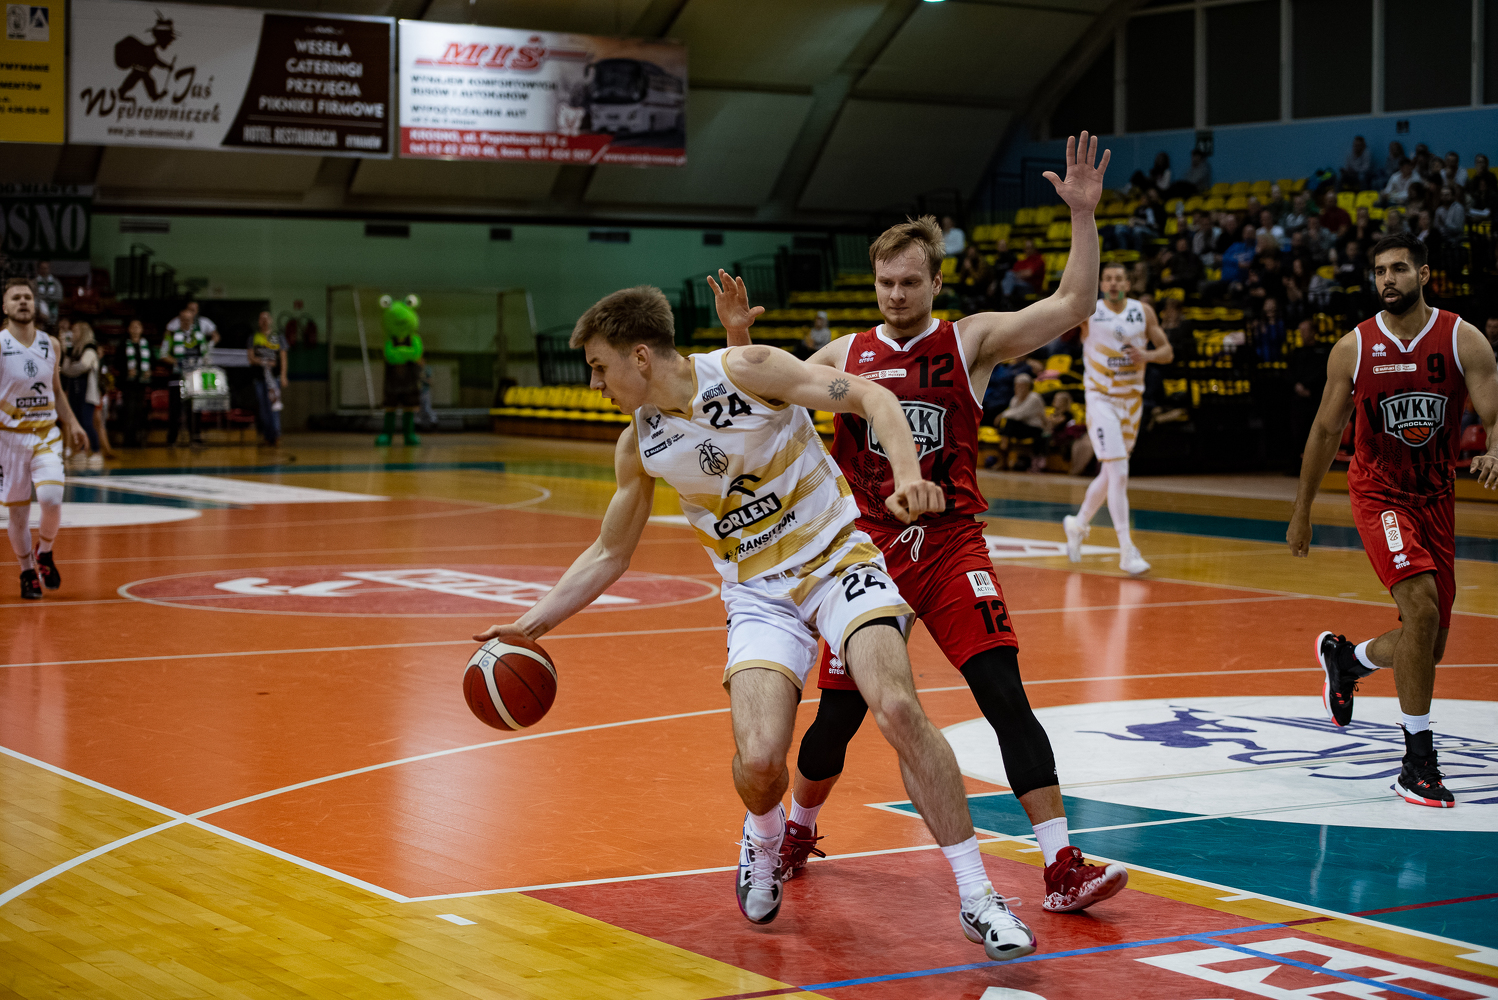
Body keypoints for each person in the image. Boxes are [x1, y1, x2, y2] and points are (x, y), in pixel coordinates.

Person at [475, 284, 1039, 963]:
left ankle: (980, 898)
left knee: (896, 707)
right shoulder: (640, 445)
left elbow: (873, 397)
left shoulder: (747, 368)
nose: (594, 383)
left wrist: (906, 475)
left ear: (640, 356)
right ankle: (763, 839)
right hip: (758, 596)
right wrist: (527, 627)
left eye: (599, 366)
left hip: (839, 561)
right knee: (763, 760)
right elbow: (609, 553)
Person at [727, 134, 1130, 918]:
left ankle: (1061, 864)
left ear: (936, 282)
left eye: (910, 282)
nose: (895, 295)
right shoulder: (844, 353)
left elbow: (1073, 305)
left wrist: (1082, 215)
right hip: (864, 555)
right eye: (885, 282)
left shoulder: (969, 340)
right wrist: (741, 342)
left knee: (1004, 693)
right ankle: (797, 829)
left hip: (950, 548)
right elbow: (759, 404)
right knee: (839, 719)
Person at [1288, 232, 1498, 807]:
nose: (1387, 279)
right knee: (1421, 610)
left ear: (1423, 274)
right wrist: (1302, 510)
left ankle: (1346, 660)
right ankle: (1417, 761)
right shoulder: (1353, 347)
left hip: (1436, 496)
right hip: (1379, 491)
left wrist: (1495, 447)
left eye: (1399, 269)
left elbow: (1494, 412)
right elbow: (1324, 432)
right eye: (1380, 270)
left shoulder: (1462, 338)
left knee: (1428, 646)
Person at [1063, 263, 1173, 575]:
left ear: (1128, 283)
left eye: (1119, 279)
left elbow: (1167, 352)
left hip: (1131, 402)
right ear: (1101, 284)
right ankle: (1127, 550)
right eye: (1108, 279)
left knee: (1111, 473)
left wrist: (1147, 356)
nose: (1113, 283)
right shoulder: (1090, 311)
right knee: (1120, 471)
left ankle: (1078, 523)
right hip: (1101, 399)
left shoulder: (1143, 312)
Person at [0, 279, 88, 599]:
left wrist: (74, 423)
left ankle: (45, 552)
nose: (23, 302)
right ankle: (26, 571)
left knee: (51, 499)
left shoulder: (51, 344)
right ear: (5, 307)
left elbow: (57, 391)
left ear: (35, 304)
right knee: (18, 514)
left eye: (27, 297)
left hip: (45, 435)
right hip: (9, 439)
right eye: (16, 298)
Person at [163, 301, 218, 446]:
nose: (186, 322)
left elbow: (205, 354)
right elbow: (163, 354)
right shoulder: (172, 335)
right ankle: (172, 439)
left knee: (194, 407)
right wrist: (176, 361)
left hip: (194, 377)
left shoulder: (199, 336)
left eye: (188, 319)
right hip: (177, 376)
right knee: (175, 408)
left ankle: (195, 437)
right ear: (179, 320)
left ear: (193, 319)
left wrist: (201, 363)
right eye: (183, 319)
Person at [59, 321, 103, 469]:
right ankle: (82, 450)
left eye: (76, 331)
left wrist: (71, 369)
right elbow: (65, 369)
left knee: (87, 422)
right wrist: (66, 353)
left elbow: (82, 366)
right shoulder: (73, 351)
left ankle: (96, 451)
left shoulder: (90, 349)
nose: (73, 334)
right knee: (77, 422)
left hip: (87, 392)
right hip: (74, 391)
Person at [247, 310, 287, 448]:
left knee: (274, 407)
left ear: (271, 320)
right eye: (261, 318)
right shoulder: (254, 337)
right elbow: (251, 358)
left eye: (266, 318)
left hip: (274, 379)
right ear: (259, 322)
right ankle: (267, 436)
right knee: (263, 410)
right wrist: (264, 362)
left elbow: (283, 357)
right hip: (259, 379)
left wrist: (283, 375)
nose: (264, 321)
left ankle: (276, 435)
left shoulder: (277, 337)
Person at [119, 319, 153, 447]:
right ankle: (127, 439)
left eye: (138, 326)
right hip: (128, 384)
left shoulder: (146, 344)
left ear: (142, 329)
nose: (135, 329)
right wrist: (127, 371)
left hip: (141, 384)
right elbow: (117, 362)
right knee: (129, 411)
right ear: (129, 329)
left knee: (139, 411)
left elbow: (153, 361)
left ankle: (138, 439)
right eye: (133, 327)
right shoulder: (123, 344)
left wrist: (149, 371)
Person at [33, 262, 62, 327]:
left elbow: (59, 297)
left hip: (52, 306)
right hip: (38, 308)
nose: (44, 270)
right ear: (38, 269)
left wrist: (46, 299)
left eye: (46, 268)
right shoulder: (34, 282)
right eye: (42, 268)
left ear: (49, 269)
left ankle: (51, 325)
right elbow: (33, 296)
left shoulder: (56, 282)